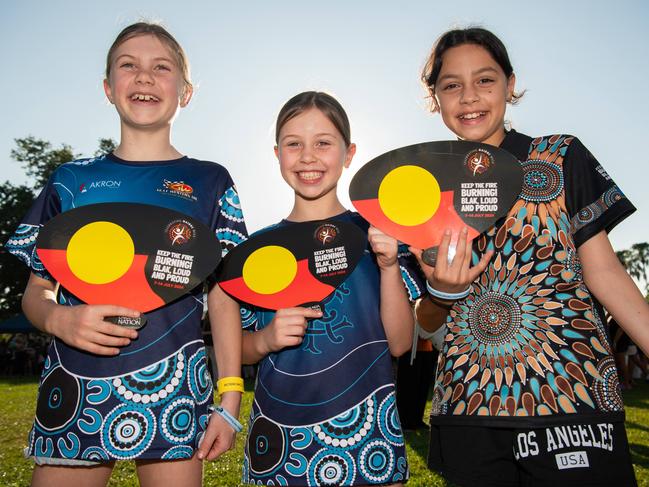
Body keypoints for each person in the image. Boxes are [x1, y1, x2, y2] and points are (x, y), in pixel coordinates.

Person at [5, 22, 247, 486]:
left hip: (176, 388)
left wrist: (230, 396)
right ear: (108, 88)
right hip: (75, 387)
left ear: (186, 91)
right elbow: (36, 291)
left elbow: (224, 296)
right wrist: (58, 320)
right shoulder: (69, 181)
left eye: (162, 67)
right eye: (128, 66)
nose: (144, 77)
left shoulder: (211, 180)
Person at [412, 26, 649, 487]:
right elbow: (426, 323)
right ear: (435, 98)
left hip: (572, 394)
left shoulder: (558, 157)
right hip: (470, 406)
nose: (469, 97)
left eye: (485, 80)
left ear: (510, 83)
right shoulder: (425, 191)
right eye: (451, 85)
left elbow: (604, 273)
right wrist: (442, 292)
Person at [239, 91, 422, 486]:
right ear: (277, 154)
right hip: (281, 445)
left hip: (367, 441)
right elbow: (234, 344)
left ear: (349, 153)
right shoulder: (257, 250)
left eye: (323, 143)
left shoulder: (377, 234)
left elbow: (400, 343)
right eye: (294, 144)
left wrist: (389, 266)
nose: (308, 156)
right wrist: (266, 340)